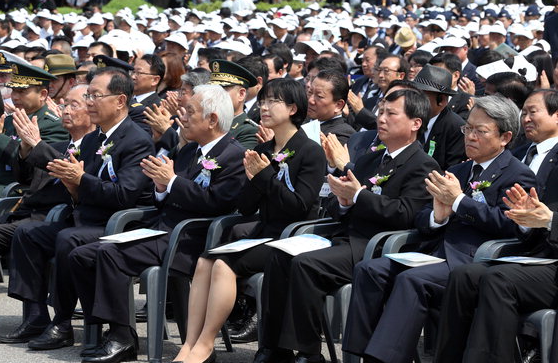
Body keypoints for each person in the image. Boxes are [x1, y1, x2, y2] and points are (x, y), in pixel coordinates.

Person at [342, 95, 537, 363]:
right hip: (436, 252)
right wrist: (438, 216)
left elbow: (510, 224)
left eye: (480, 131)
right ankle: (356, 354)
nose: (470, 136)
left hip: (473, 260)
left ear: (505, 137)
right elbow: (422, 217)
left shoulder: (518, 174)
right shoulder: (458, 168)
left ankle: (384, 359)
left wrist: (459, 201)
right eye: (467, 128)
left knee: (412, 281)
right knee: (369, 270)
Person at [255, 88, 439, 363]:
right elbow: (334, 206)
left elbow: (406, 214)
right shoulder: (371, 158)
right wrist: (343, 200)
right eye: (380, 112)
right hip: (344, 238)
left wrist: (358, 196)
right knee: (279, 255)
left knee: (306, 265)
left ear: (415, 123)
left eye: (391, 114)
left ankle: (308, 353)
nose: (381, 119)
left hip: (376, 246)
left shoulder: (423, 165)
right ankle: (273, 348)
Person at [68, 84, 247, 362]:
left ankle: (122, 338)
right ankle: (106, 329)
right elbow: (164, 198)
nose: (182, 117)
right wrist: (161, 186)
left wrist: (172, 182)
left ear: (212, 119)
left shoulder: (233, 155)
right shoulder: (188, 151)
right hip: (163, 231)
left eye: (189, 112)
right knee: (81, 255)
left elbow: (217, 204)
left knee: (109, 254)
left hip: (192, 241)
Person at [168, 78, 324, 363]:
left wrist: (265, 177)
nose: (263, 107)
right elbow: (246, 205)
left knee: (225, 266)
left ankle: (205, 344)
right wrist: (253, 179)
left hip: (293, 236)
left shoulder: (309, 150)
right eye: (262, 101)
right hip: (264, 231)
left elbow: (299, 207)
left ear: (292, 108)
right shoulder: (264, 151)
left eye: (272, 101)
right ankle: (189, 343)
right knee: (205, 261)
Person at [1, 66, 155, 350]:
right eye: (89, 96)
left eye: (96, 96)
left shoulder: (136, 140)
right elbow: (80, 184)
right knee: (28, 233)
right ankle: (36, 315)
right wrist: (74, 185)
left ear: (120, 101)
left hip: (119, 224)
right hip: (88, 216)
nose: (89, 103)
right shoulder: (96, 138)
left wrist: (81, 180)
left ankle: (62, 321)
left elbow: (125, 196)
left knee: (67, 238)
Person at [0, 85, 95, 342]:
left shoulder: (91, 143)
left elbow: (70, 178)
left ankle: (35, 315)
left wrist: (33, 144)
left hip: (55, 216)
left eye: (73, 105)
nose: (64, 111)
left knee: (2, 234)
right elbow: (23, 174)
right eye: (64, 105)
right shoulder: (62, 140)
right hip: (30, 210)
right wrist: (22, 147)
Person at [434, 89, 558, 363]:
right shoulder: (528, 153)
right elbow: (532, 215)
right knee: (466, 276)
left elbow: (546, 218)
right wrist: (530, 220)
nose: (526, 118)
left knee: (497, 279)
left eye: (532, 111)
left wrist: (548, 220)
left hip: (549, 259)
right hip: (542, 253)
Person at [0, 61, 68, 224]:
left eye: (22, 91)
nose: (15, 97)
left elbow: (35, 170)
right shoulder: (9, 120)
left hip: (15, 191)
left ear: (43, 94)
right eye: (14, 90)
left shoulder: (52, 125)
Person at [412, 64, 466, 170]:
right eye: (413, 94)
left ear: (441, 100)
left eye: (422, 96)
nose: (415, 100)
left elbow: (451, 169)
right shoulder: (409, 116)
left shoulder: (455, 127)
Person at [209, 59, 259, 149]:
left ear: (241, 94)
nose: (215, 94)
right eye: (213, 89)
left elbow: (230, 161)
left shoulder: (249, 131)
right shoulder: (206, 121)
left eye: (222, 90)